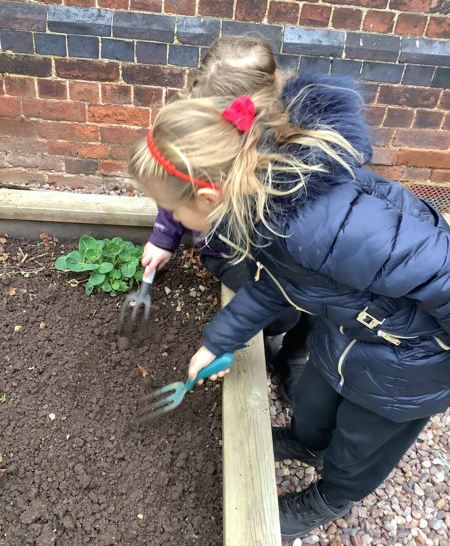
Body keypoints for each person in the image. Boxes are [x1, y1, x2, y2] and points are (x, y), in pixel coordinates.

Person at [129, 64, 450, 540]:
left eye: (174, 209)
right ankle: (307, 441)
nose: (172, 218)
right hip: (346, 329)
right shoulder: (271, 212)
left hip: (408, 360)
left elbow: (440, 269)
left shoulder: (327, 228)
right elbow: (274, 281)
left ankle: (334, 494)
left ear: (206, 194)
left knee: (363, 439)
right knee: (315, 401)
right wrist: (220, 340)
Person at [142, 35, 309, 403]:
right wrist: (163, 237)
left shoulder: (288, 161)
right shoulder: (194, 132)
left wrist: (235, 330)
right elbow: (176, 186)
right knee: (274, 310)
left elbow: (293, 274)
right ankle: (267, 328)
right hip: (224, 246)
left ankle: (294, 353)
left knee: (300, 308)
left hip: (282, 255)